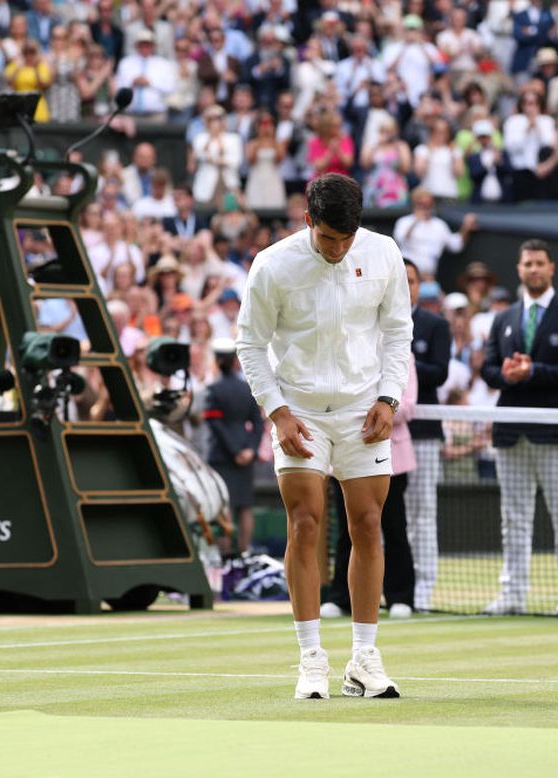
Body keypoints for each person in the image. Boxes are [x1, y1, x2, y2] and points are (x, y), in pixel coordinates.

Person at [235, 174, 412, 700]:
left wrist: (388, 398)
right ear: (308, 220)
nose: (339, 249)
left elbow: (398, 330)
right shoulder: (272, 264)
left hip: (364, 410)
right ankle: (311, 659)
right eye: (330, 237)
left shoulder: (383, 253)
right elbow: (250, 345)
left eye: (347, 238)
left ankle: (364, 659)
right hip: (300, 410)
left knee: (368, 524)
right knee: (306, 522)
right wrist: (278, 413)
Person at [480, 238, 558, 616]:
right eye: (528, 264)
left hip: (557, 432)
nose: (534, 269)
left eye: (540, 263)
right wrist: (509, 374)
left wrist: (533, 371)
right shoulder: (503, 318)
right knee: (513, 517)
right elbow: (489, 369)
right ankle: (513, 593)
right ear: (519, 269)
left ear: (551, 267)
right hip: (511, 431)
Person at [323, 356, 419, 619]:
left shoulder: (400, 355)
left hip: (392, 459)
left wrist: (370, 413)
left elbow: (408, 405)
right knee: (347, 530)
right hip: (346, 455)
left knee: (394, 528)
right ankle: (342, 597)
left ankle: (401, 597)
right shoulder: (346, 346)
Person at [402, 258, 450, 612]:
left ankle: (422, 589)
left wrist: (401, 365)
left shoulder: (435, 325)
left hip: (423, 433)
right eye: (400, 280)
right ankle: (391, 586)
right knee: (387, 515)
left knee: (422, 512)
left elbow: (440, 373)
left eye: (412, 281)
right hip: (382, 434)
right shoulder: (372, 320)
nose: (406, 286)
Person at [204, 337, 263, 555]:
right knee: (245, 505)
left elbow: (215, 424)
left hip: (222, 456)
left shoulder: (214, 389)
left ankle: (225, 555)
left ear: (218, 360)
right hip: (245, 454)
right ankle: (245, 552)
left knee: (224, 507)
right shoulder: (247, 388)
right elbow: (258, 423)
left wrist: (234, 451)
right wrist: (250, 449)